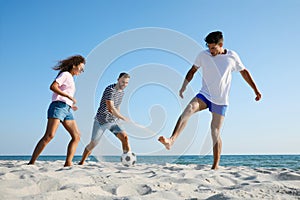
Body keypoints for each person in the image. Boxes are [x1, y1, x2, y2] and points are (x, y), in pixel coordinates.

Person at [158, 31, 262, 170]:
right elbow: (192, 70)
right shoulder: (203, 55)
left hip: (221, 100)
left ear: (221, 45)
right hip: (205, 95)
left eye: (213, 48)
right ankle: (171, 140)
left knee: (215, 132)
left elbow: (244, 72)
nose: (210, 50)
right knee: (188, 110)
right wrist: (184, 86)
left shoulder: (232, 56)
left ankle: (215, 166)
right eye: (208, 47)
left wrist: (255, 90)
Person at [28, 55, 85, 167]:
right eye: (81, 68)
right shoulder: (65, 74)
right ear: (74, 66)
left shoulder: (71, 79)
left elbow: (65, 95)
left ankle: (68, 163)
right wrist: (68, 97)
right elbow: (53, 87)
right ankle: (31, 162)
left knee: (77, 136)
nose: (81, 71)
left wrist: (70, 104)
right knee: (49, 135)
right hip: (58, 107)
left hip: (67, 109)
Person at [79, 72, 131, 165]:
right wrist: (123, 117)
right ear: (118, 79)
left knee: (125, 138)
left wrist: (119, 119)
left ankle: (126, 160)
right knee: (93, 143)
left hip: (112, 121)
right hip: (101, 121)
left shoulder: (122, 93)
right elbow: (111, 108)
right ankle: (82, 162)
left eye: (126, 83)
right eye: (123, 82)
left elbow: (117, 107)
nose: (124, 84)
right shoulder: (110, 89)